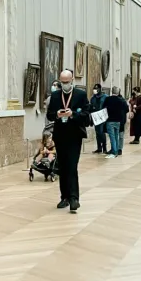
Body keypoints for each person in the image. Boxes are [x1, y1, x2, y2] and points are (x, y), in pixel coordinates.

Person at [47, 70, 90, 213]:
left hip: (74, 136)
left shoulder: (80, 95)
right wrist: (58, 115)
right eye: (62, 82)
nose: (64, 84)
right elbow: (50, 115)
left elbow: (86, 115)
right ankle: (64, 197)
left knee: (72, 166)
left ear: (72, 80)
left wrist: (73, 114)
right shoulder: (55, 95)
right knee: (63, 167)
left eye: (67, 82)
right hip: (60, 136)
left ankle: (74, 199)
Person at [104, 86, 129, 159]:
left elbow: (104, 108)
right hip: (118, 121)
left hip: (110, 120)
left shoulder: (108, 99)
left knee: (112, 137)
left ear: (112, 91)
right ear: (118, 92)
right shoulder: (121, 100)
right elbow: (124, 110)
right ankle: (117, 150)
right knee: (116, 136)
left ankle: (114, 152)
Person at [90, 83, 108, 154]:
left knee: (101, 132)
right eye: (94, 88)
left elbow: (107, 106)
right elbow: (91, 108)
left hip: (102, 117)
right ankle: (99, 148)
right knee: (97, 133)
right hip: (95, 116)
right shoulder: (92, 98)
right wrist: (91, 119)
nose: (95, 90)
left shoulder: (105, 97)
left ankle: (104, 147)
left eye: (96, 89)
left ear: (100, 89)